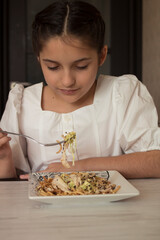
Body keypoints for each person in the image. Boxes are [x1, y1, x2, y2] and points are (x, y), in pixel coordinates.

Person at [0, 0, 160, 180]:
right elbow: (14, 183)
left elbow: (155, 161)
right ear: (39, 59)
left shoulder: (123, 94)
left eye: (82, 66)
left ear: (101, 56)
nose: (67, 81)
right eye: (53, 67)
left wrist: (79, 167)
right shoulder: (22, 103)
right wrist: (4, 160)